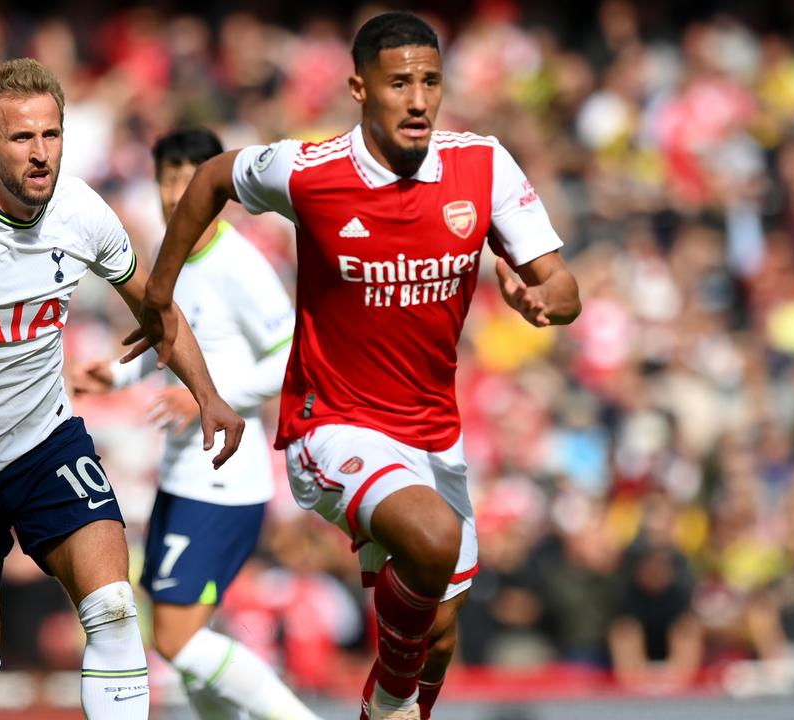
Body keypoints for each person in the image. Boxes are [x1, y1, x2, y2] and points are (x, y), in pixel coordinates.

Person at [123, 12, 581, 720]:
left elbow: (562, 283)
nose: (419, 98)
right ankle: (388, 704)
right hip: (331, 421)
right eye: (399, 82)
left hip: (435, 432)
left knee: (439, 634)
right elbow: (212, 177)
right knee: (433, 537)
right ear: (359, 88)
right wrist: (159, 291)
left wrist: (542, 295)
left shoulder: (482, 164)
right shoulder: (311, 172)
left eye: (430, 81)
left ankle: (394, 706)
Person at [0, 58, 244, 719]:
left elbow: (156, 307)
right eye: (22, 139)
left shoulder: (82, 210)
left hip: (44, 444)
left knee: (114, 609)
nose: (40, 154)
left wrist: (209, 393)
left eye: (51, 136)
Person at [73, 126, 318, 720]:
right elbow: (170, 343)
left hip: (224, 478)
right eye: (167, 177)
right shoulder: (171, 255)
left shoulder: (241, 264)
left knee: (175, 638)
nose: (177, 191)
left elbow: (294, 356)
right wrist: (118, 374)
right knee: (184, 639)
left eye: (191, 177)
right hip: (184, 474)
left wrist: (209, 398)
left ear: (219, 187)